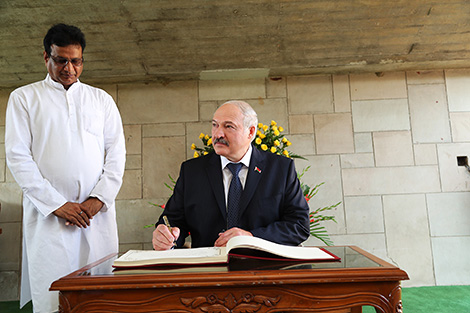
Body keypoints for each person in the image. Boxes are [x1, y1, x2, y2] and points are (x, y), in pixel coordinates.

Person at [5, 24, 126, 313]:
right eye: (61, 60)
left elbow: (117, 154)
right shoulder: (24, 98)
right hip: (50, 219)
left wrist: (98, 199)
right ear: (46, 57)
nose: (69, 68)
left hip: (96, 217)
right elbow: (18, 157)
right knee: (54, 297)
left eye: (76, 61)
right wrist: (58, 204)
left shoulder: (101, 100)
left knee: (101, 298)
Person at [152, 100, 309, 250]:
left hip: (263, 268)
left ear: (251, 132)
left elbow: (299, 225)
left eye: (229, 126)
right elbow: (173, 221)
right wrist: (166, 237)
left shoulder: (280, 168)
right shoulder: (192, 171)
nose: (218, 133)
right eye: (215, 125)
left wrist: (251, 237)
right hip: (209, 269)